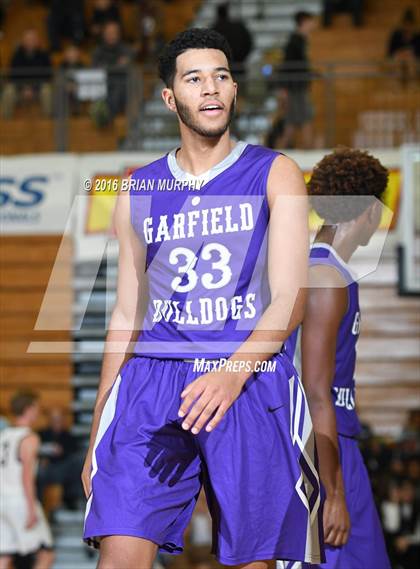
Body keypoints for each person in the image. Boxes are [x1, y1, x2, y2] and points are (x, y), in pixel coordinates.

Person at [82, 27, 324, 568]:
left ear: (235, 90)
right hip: (151, 380)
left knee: (250, 561)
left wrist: (231, 372)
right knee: (120, 550)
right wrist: (101, 419)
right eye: (194, 79)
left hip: (246, 376)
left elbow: (290, 299)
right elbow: (126, 313)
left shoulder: (275, 172)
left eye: (221, 76)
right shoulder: (137, 189)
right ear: (171, 98)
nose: (210, 88)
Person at [281, 148, 391, 568]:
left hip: (336, 442)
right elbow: (314, 390)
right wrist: (334, 493)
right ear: (368, 211)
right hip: (322, 448)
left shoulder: (332, 272)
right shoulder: (324, 277)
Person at [0, 391, 54, 569]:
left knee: (5, 557)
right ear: (29, 409)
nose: (38, 412)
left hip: (2, 500)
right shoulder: (29, 438)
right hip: (19, 500)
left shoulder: (3, 435)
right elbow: (26, 477)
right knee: (45, 555)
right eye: (36, 408)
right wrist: (31, 508)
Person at [277, 11, 317, 149]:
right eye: (311, 21)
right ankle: (309, 150)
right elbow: (286, 66)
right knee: (304, 119)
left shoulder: (301, 40)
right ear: (304, 22)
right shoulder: (295, 41)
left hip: (298, 86)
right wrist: (283, 89)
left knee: (292, 124)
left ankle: (277, 153)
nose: (314, 24)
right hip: (295, 88)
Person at [37, 408, 84, 511]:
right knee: (39, 471)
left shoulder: (68, 436)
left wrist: (61, 452)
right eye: (54, 419)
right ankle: (37, 504)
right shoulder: (41, 434)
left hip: (63, 468)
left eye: (58, 419)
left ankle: (71, 500)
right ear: (49, 420)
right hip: (46, 468)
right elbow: (35, 451)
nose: (56, 422)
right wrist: (42, 458)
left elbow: (73, 453)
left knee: (78, 463)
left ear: (62, 420)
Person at [0, 29, 52, 119]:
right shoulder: (16, 56)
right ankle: (6, 121)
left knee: (47, 91)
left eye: (33, 39)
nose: (30, 42)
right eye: (28, 39)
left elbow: (48, 75)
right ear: (23, 41)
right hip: (19, 87)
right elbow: (13, 75)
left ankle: (48, 120)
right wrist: (24, 87)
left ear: (37, 41)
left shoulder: (44, 56)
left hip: (39, 87)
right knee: (8, 92)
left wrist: (33, 88)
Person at [92, 20, 135, 120]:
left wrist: (109, 67)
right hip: (103, 84)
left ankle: (107, 117)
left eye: (114, 33)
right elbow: (96, 68)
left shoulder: (125, 49)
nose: (112, 35)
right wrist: (116, 65)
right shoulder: (98, 51)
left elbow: (126, 63)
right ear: (104, 34)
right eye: (109, 33)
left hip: (122, 85)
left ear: (119, 34)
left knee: (118, 89)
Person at [387, 7, 420, 83]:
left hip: (413, 60)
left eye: (410, 25)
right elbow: (390, 52)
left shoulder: (417, 37)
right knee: (398, 60)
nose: (407, 27)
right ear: (402, 24)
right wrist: (400, 53)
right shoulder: (396, 35)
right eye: (406, 24)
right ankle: (397, 83)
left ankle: (411, 84)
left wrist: (409, 53)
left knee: (411, 61)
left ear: (413, 25)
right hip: (398, 58)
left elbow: (418, 52)